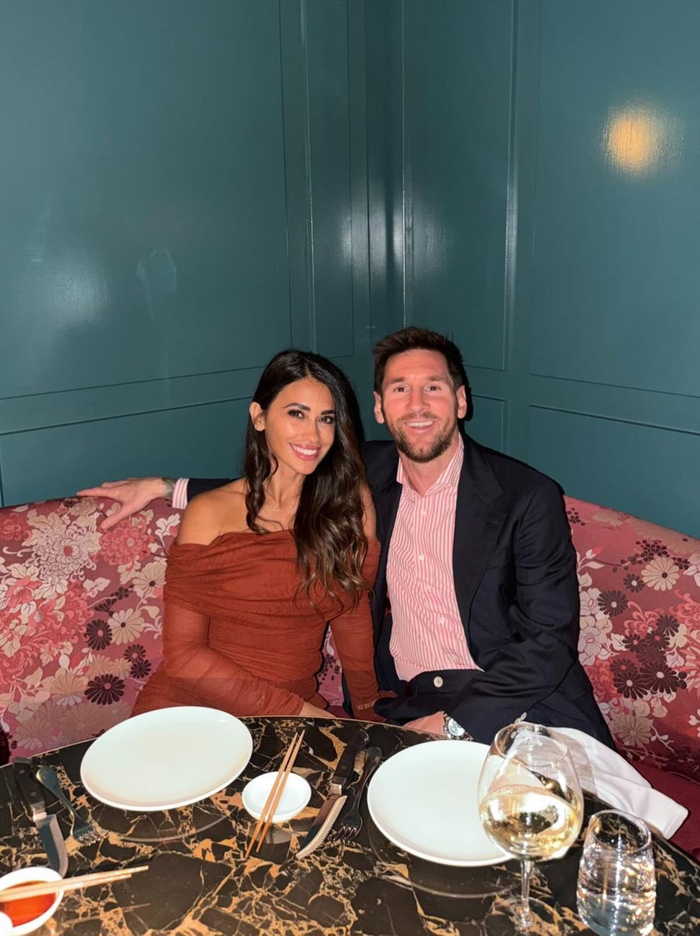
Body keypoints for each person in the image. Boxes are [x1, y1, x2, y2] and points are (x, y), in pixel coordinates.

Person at [80, 328, 613, 747]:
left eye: (433, 387)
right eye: (400, 389)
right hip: (409, 704)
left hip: (514, 703)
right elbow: (271, 483)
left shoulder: (524, 495)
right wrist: (165, 486)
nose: (418, 404)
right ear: (380, 408)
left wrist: (443, 722)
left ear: (461, 401)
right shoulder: (363, 480)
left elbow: (548, 642)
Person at [116, 349, 382, 721]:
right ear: (259, 417)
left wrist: (369, 712)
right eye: (296, 413)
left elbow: (351, 614)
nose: (313, 434)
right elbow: (185, 657)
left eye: (326, 419)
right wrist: (299, 712)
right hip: (191, 706)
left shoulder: (349, 504)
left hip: (290, 712)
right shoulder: (209, 513)